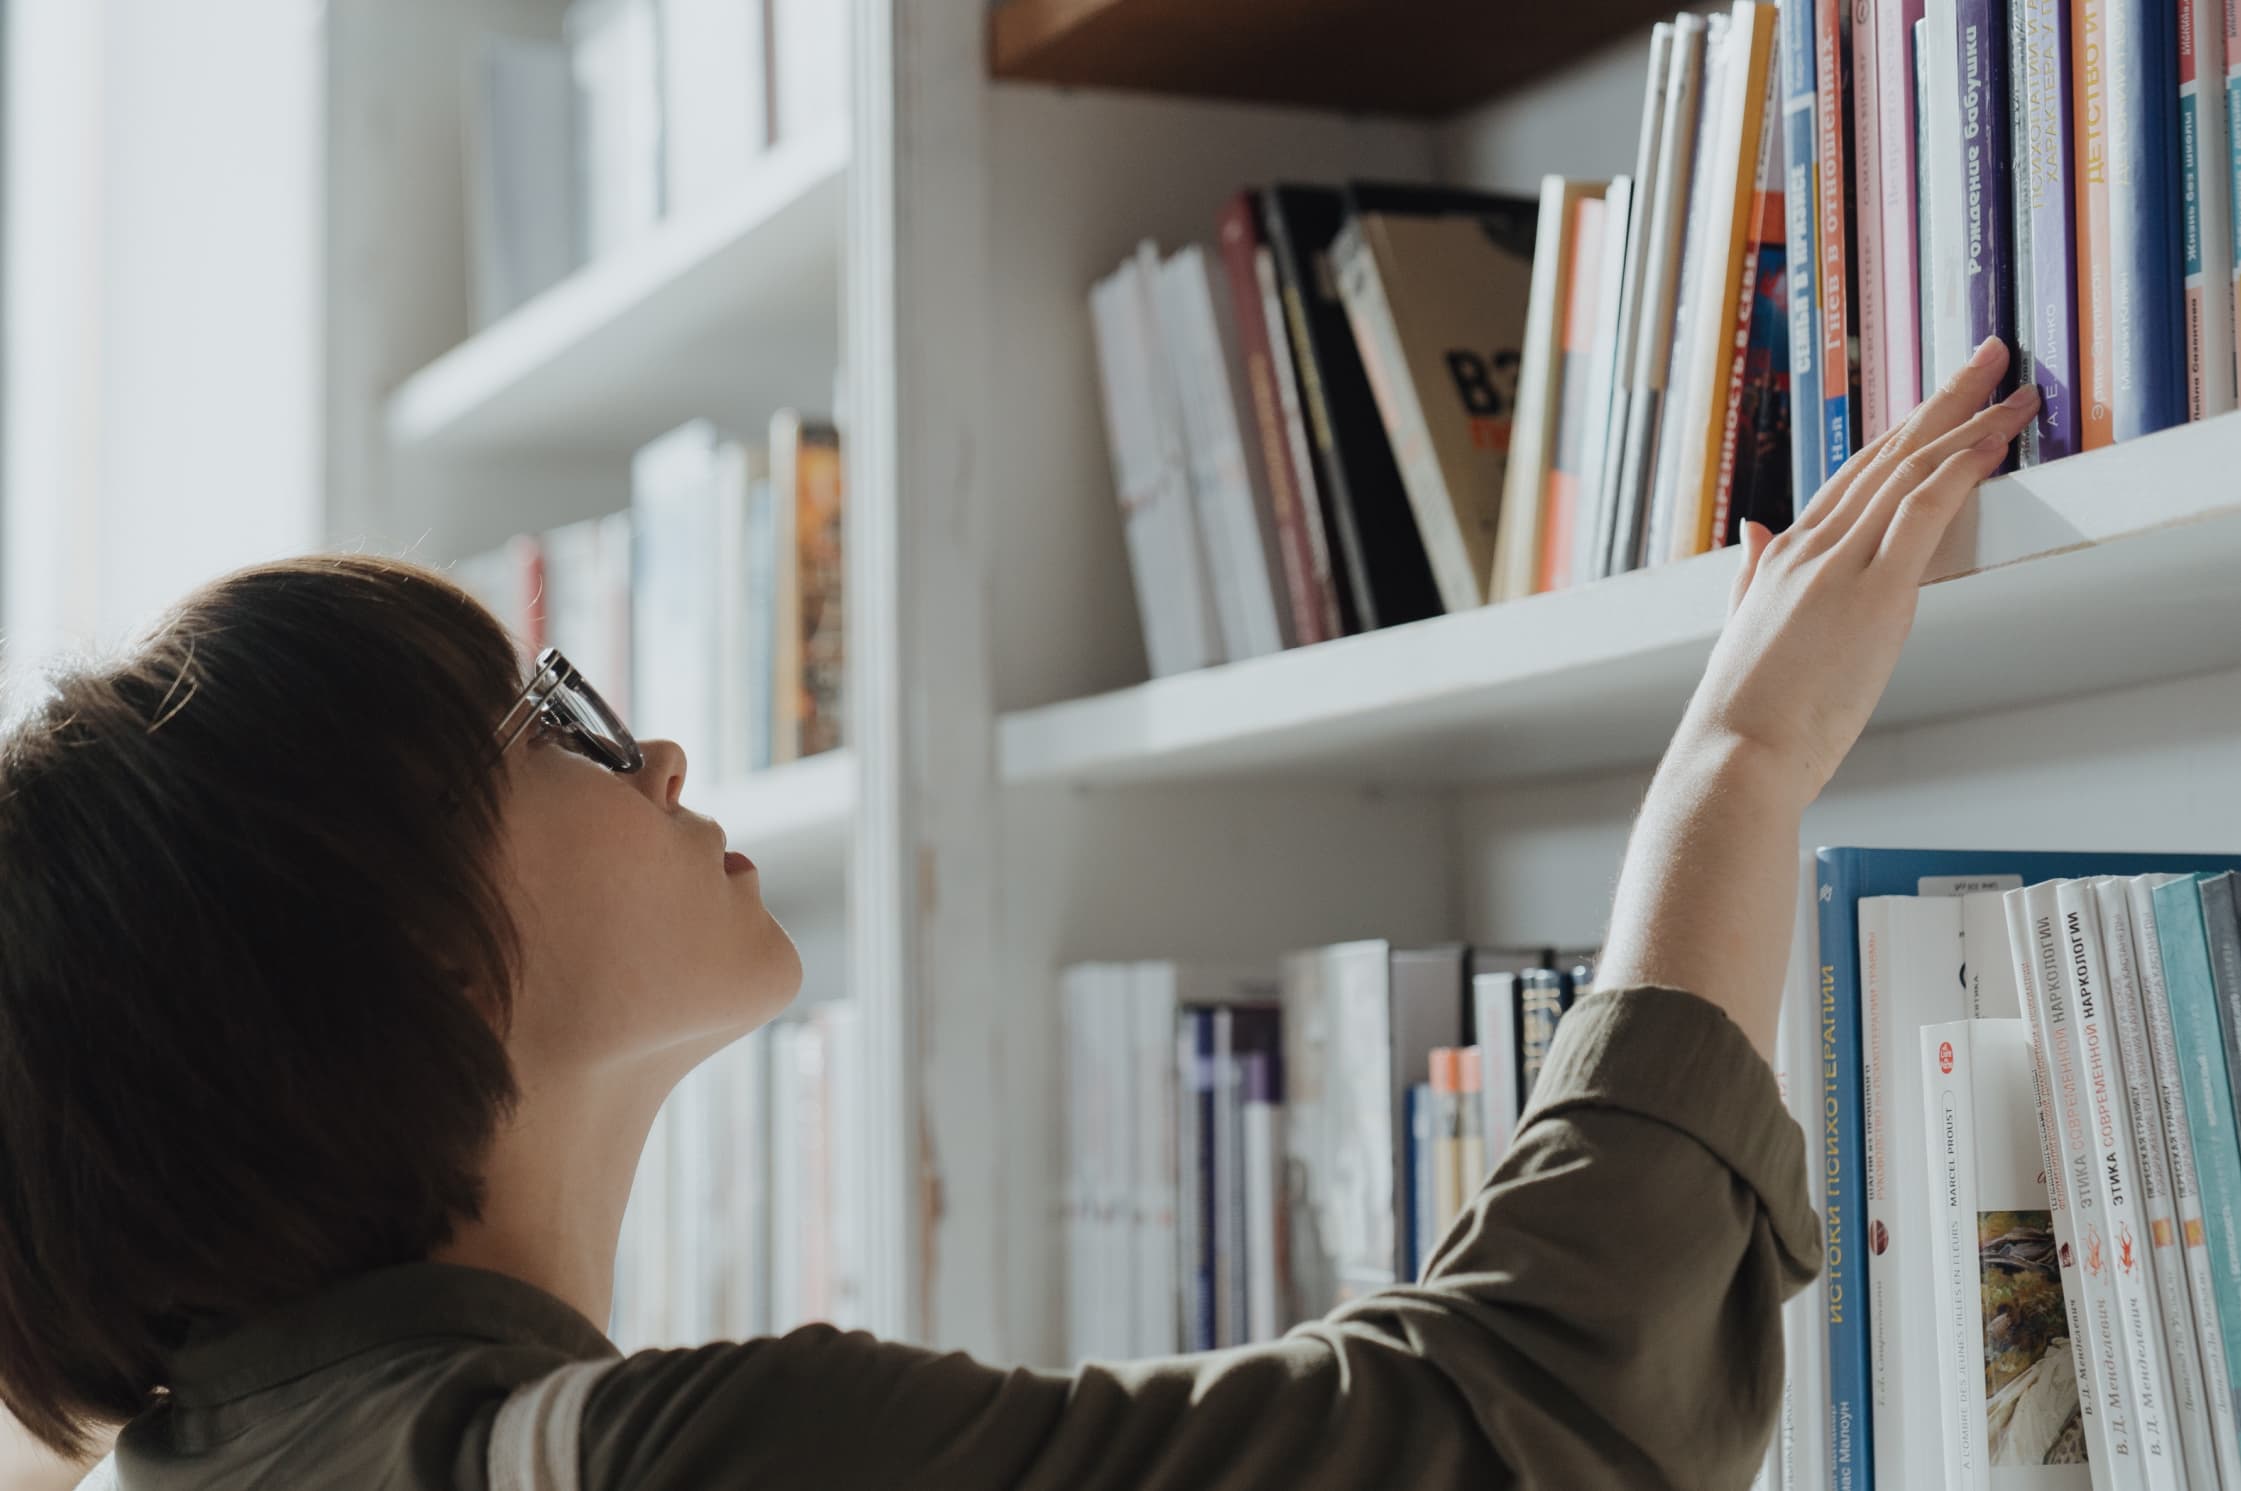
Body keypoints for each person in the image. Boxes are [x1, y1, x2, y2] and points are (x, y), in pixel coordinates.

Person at [0, 341, 2040, 1490]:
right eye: (555, 722)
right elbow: (1508, 1436)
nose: (665, 763)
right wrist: (1735, 766)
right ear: (408, 946)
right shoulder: (668, 1466)